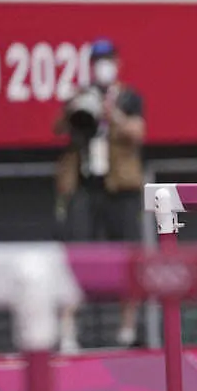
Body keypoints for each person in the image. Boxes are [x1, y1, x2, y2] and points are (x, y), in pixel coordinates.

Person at [54, 39, 146, 349]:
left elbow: (138, 132)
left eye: (107, 59)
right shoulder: (82, 95)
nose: (102, 64)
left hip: (120, 188)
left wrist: (111, 111)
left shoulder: (129, 97)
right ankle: (68, 331)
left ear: (117, 61)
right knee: (76, 258)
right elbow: (59, 128)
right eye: (97, 59)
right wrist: (78, 105)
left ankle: (127, 331)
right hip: (86, 185)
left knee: (128, 256)